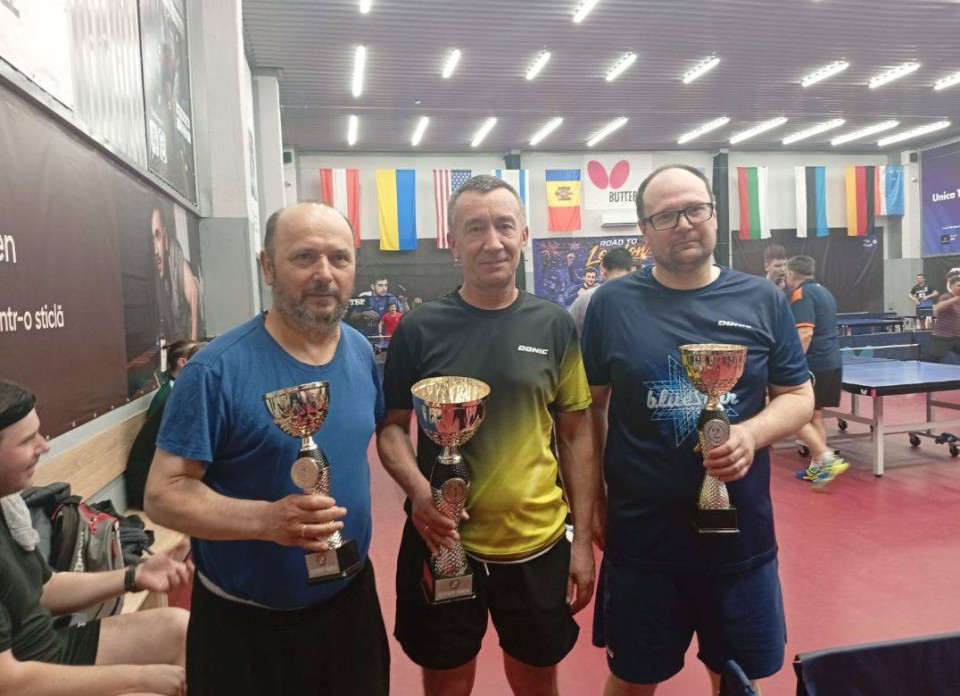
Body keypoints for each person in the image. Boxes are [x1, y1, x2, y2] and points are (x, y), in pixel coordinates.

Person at [581, 165, 814, 696]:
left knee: (736, 681)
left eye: (695, 209)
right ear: (644, 229)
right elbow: (588, 410)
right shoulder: (611, 304)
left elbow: (798, 396)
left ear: (714, 212)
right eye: (666, 216)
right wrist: (593, 504)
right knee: (632, 679)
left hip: (740, 539)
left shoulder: (762, 298)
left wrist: (751, 434)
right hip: (642, 540)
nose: (684, 223)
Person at [145, 202, 390, 695]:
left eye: (339, 258)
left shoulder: (361, 352)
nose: (324, 274)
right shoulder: (215, 371)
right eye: (304, 257)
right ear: (268, 267)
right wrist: (266, 521)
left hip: (350, 607)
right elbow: (163, 494)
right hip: (244, 629)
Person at [377, 174, 596, 696]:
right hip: (442, 539)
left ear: (524, 235)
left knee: (536, 682)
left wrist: (584, 542)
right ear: (453, 243)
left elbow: (576, 436)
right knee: (447, 682)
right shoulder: (419, 328)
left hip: (537, 541)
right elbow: (391, 430)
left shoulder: (554, 325)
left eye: (504, 226)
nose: (492, 242)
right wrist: (419, 492)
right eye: (475, 228)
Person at [0, 380, 191, 696]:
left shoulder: (6, 506)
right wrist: (140, 679)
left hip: (50, 650)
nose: (44, 446)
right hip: (23, 679)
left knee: (179, 629)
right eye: (27, 440)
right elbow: (8, 683)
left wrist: (135, 575)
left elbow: (45, 588)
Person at [785, 256, 850, 487]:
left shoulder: (802, 294)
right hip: (831, 361)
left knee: (791, 414)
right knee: (815, 416)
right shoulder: (825, 292)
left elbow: (805, 334)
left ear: (791, 273)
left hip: (814, 364)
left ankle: (826, 459)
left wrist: (793, 364)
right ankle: (819, 467)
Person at [151, 207, 201, 342]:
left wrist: (193, 342)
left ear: (165, 238)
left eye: (157, 236)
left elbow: (193, 293)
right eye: (151, 240)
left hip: (183, 332)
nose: (155, 251)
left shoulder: (174, 253)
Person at [569, 248, 634, 336]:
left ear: (602, 269)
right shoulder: (642, 300)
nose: (590, 279)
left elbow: (566, 332)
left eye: (593, 277)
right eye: (588, 277)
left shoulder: (587, 298)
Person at [930, 272, 960, 362]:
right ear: (951, 286)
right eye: (958, 285)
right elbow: (938, 308)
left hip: (956, 337)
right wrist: (954, 300)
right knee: (935, 361)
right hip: (942, 337)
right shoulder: (945, 297)